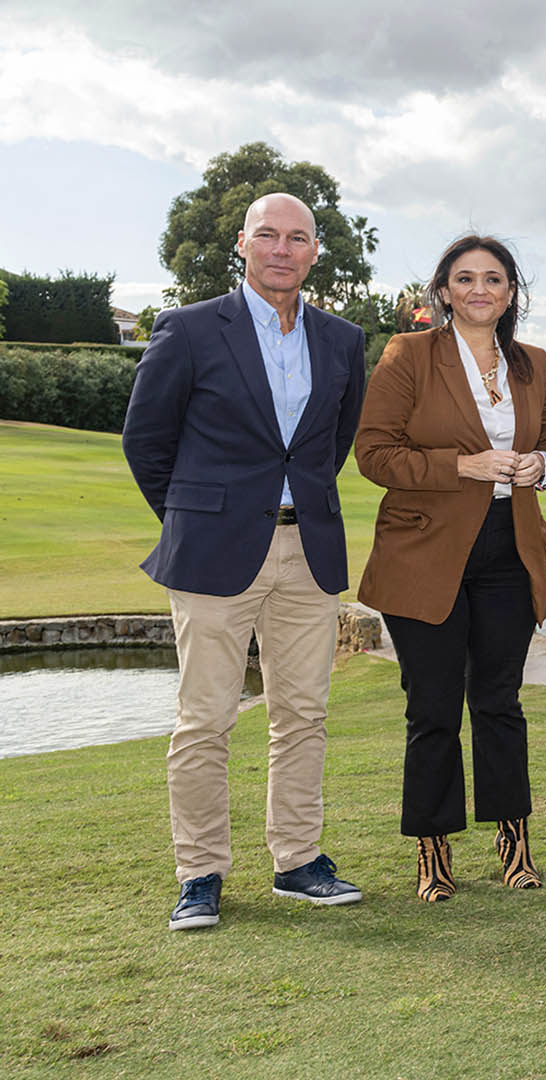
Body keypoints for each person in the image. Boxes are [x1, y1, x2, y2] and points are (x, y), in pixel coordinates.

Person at [122, 192, 367, 930]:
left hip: (309, 548)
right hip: (212, 551)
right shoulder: (190, 329)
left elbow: (332, 442)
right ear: (243, 243)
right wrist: (195, 518)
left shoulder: (342, 340)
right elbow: (146, 441)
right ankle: (199, 874)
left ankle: (297, 861)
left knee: (303, 715)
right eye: (268, 235)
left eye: (297, 238)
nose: (282, 249)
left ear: (314, 251)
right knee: (205, 720)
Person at [354, 234, 546, 902]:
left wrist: (540, 466)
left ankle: (514, 846)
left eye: (494, 279)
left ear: (509, 293)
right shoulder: (408, 355)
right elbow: (374, 453)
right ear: (444, 290)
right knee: (434, 706)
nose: (480, 290)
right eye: (465, 278)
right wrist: (460, 466)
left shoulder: (532, 363)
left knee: (500, 702)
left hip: (510, 548)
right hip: (425, 551)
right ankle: (433, 854)